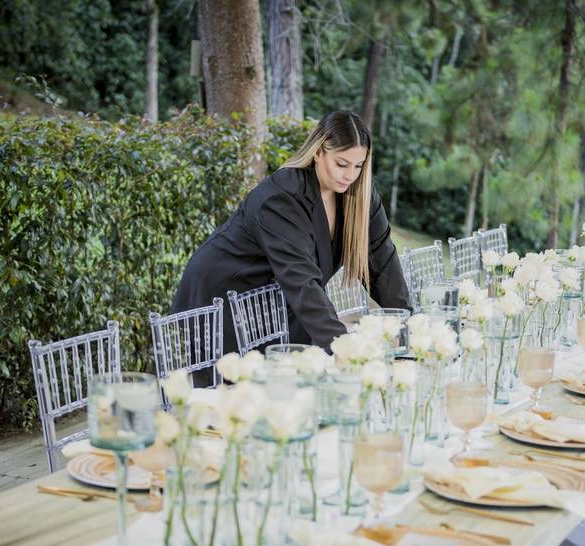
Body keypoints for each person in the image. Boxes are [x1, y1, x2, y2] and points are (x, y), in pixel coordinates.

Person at [171, 110, 410, 360]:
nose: (350, 175)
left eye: (358, 166)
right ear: (318, 152)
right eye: (341, 164)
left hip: (274, 301)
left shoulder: (359, 196)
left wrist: (408, 328)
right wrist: (344, 347)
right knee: (236, 390)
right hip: (222, 297)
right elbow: (301, 278)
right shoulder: (282, 198)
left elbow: (383, 261)